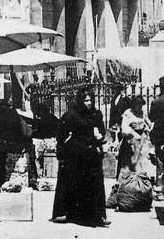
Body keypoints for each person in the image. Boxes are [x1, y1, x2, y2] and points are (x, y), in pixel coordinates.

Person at [51, 88, 109, 227]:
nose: (89, 103)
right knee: (74, 182)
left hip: (92, 153)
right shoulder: (72, 115)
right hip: (76, 154)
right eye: (86, 100)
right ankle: (70, 213)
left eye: (91, 100)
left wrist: (99, 136)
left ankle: (97, 215)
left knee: (94, 184)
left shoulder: (96, 114)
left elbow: (102, 132)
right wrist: (63, 149)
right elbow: (61, 135)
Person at [117, 96, 155, 179]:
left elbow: (148, 123)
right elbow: (124, 129)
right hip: (131, 142)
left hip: (142, 141)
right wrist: (135, 134)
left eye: (141, 105)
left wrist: (147, 129)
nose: (140, 107)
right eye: (138, 105)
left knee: (142, 162)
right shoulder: (128, 113)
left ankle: (141, 180)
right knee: (130, 164)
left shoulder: (142, 113)